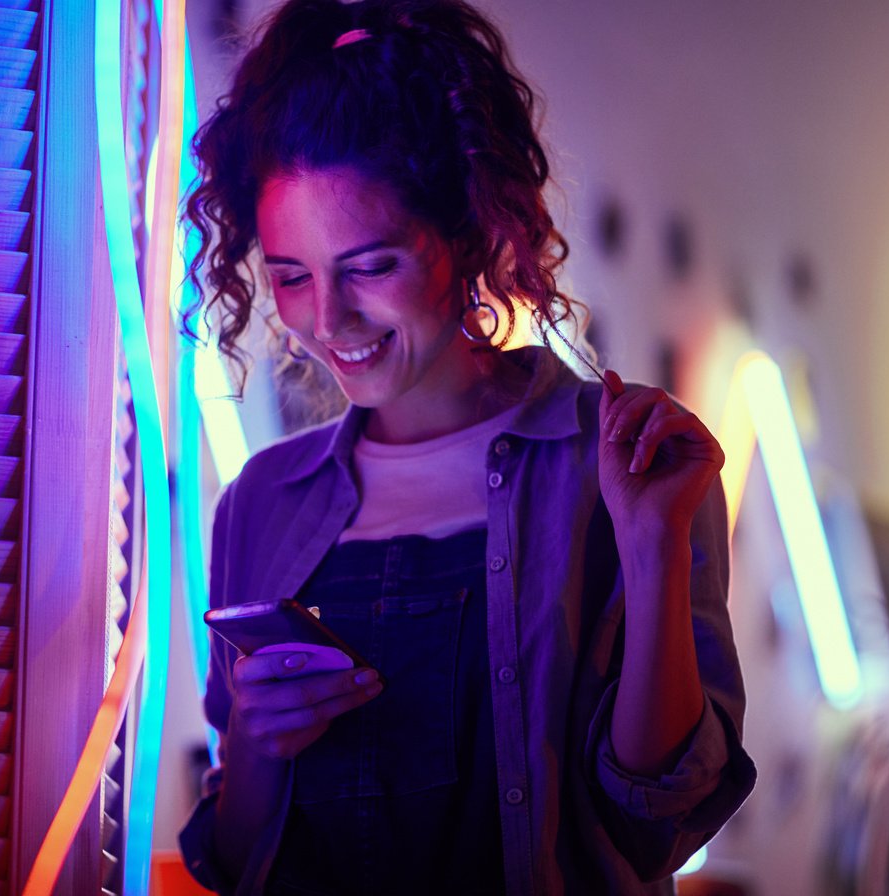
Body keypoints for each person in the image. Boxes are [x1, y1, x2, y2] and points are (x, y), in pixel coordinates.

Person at [178, 1, 756, 893]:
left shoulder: (620, 464)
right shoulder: (261, 501)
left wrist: (653, 551)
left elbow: (658, 815)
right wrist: (255, 743)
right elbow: (238, 855)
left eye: (370, 266)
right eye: (291, 275)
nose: (327, 320)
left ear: (471, 234)